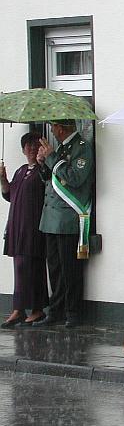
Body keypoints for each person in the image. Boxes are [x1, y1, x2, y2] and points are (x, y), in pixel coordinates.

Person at [33, 120, 94, 329]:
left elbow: (75, 178)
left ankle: (73, 312)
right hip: (51, 217)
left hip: (68, 217)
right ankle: (56, 310)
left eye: (53, 126)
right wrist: (43, 163)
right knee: (55, 269)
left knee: (70, 269)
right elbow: (50, 180)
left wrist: (51, 157)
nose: (51, 130)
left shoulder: (82, 148)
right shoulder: (59, 148)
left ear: (60, 128)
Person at [0, 132, 48, 328]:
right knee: (19, 267)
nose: (32, 149)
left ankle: (37, 309)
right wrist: (3, 180)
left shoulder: (43, 170)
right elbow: (9, 194)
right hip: (17, 226)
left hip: (34, 226)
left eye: (35, 145)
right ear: (23, 150)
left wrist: (43, 163)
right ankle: (19, 309)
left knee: (34, 267)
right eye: (28, 146)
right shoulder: (21, 171)